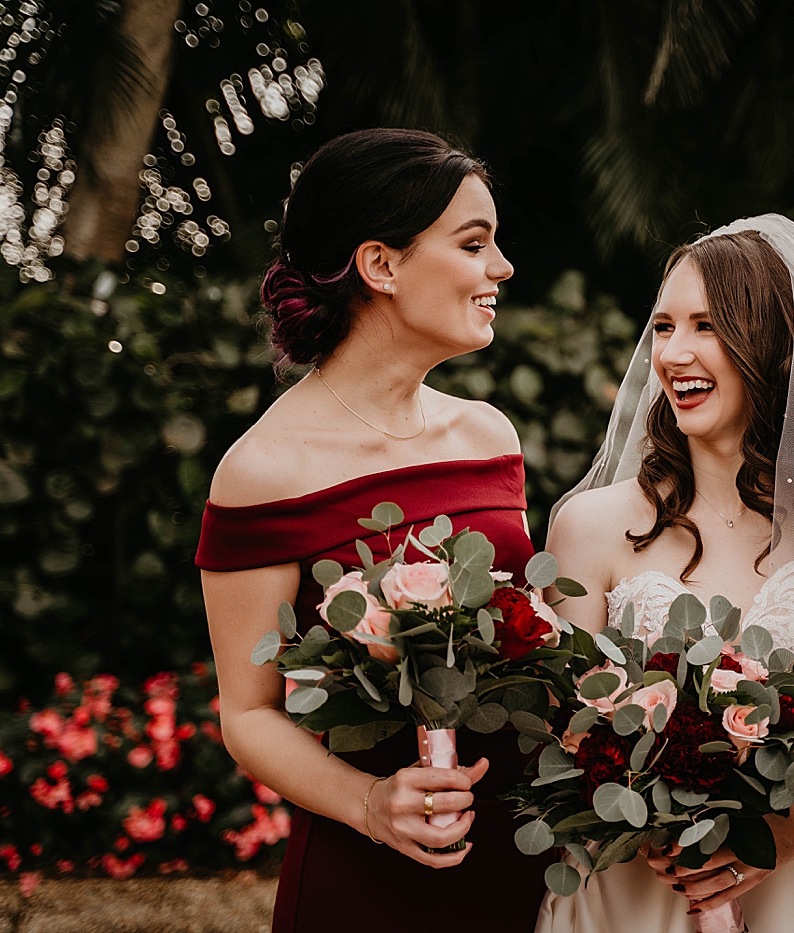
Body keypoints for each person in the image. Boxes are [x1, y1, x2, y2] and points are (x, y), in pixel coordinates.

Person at [196, 128, 549, 932]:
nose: (502, 268)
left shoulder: (488, 435)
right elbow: (248, 714)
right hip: (369, 871)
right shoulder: (263, 471)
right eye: (474, 243)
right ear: (381, 264)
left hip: (516, 855)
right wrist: (369, 802)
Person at [538, 215, 794, 933]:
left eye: (706, 326)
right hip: (642, 895)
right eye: (663, 327)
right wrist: (643, 812)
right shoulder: (588, 525)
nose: (675, 352)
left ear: (772, 347)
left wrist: (790, 835)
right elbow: (560, 737)